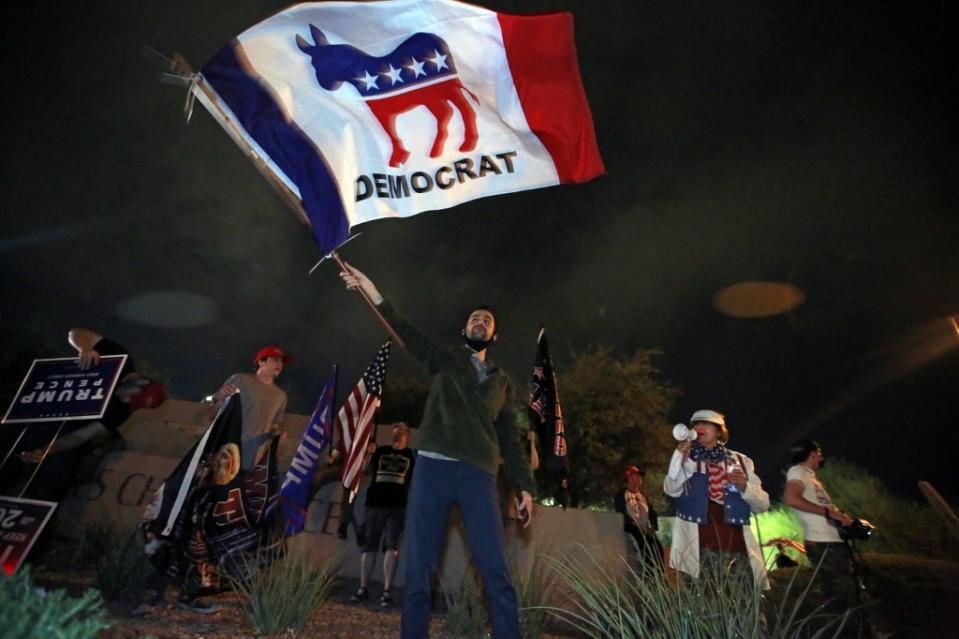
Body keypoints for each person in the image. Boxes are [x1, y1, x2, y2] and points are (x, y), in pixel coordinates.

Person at [339, 262, 534, 639]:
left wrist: (524, 485)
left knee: (494, 566)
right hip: (432, 469)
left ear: (494, 335)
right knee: (420, 567)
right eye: (475, 318)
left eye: (487, 320)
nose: (480, 321)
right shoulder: (446, 360)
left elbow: (511, 437)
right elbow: (407, 333)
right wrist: (374, 293)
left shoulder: (503, 383)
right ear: (465, 331)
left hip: (478, 475)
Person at [12, 328, 142, 501]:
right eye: (131, 396)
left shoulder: (121, 410)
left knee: (53, 481)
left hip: (62, 431)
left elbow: (80, 437)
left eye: (132, 404)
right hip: (32, 413)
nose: (126, 400)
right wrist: (85, 348)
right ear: (139, 382)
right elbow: (76, 332)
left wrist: (45, 451)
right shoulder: (120, 359)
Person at [663, 409, 770, 588]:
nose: (699, 427)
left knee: (742, 601)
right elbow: (671, 490)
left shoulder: (741, 461)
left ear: (719, 431)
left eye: (705, 424)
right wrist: (684, 461)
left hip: (736, 547)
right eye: (696, 425)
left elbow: (763, 504)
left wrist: (745, 485)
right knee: (703, 603)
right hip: (698, 548)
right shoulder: (687, 457)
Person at [783, 439, 861, 614]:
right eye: (819, 454)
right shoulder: (798, 471)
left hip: (832, 542)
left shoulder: (810, 477)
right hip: (823, 544)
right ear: (813, 454)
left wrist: (841, 517)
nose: (821, 458)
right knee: (840, 595)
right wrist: (830, 513)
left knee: (846, 592)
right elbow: (791, 498)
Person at [350, 422, 416, 608]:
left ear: (407, 436)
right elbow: (363, 471)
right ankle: (363, 587)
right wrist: (368, 454)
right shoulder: (380, 451)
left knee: (392, 547)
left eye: (402, 432)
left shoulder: (411, 455)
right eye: (396, 432)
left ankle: (387, 590)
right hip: (375, 504)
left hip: (396, 507)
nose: (398, 435)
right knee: (369, 546)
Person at [207, 345, 290, 471]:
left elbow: (274, 426)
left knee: (240, 491)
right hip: (227, 453)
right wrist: (220, 397)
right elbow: (214, 413)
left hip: (254, 459)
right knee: (220, 488)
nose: (280, 364)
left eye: (281, 361)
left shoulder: (280, 396)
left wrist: (278, 434)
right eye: (275, 360)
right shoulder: (240, 380)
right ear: (261, 362)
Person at [614, 465, 662, 569]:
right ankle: (649, 576)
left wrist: (653, 527)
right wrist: (636, 525)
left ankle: (660, 577)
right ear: (629, 477)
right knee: (644, 548)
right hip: (631, 527)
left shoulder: (643, 495)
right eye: (637, 475)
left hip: (645, 528)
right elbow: (622, 513)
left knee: (658, 548)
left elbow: (652, 513)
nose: (640, 478)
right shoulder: (621, 495)